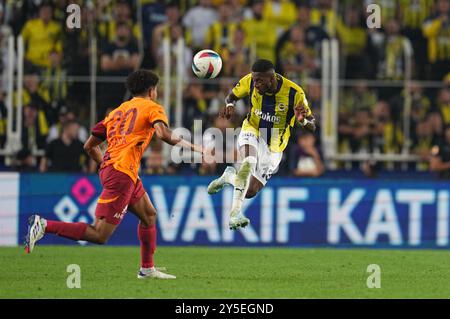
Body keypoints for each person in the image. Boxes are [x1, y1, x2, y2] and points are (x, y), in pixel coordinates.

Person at [25, 70, 204, 279]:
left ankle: (147, 269)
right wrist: (195, 147)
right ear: (151, 90)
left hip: (119, 170)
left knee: (149, 215)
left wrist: (108, 166)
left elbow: (89, 146)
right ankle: (44, 225)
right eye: (157, 89)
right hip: (122, 173)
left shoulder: (117, 112)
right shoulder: (152, 107)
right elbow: (163, 134)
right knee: (100, 234)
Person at [207, 59, 316, 230]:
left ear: (271, 78)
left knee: (250, 192)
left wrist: (302, 121)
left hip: (274, 146)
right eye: (254, 79)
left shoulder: (295, 94)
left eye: (260, 80)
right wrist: (229, 104)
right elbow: (232, 96)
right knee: (248, 162)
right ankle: (235, 214)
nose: (255, 84)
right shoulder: (249, 81)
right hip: (252, 129)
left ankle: (229, 177)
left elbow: (312, 125)